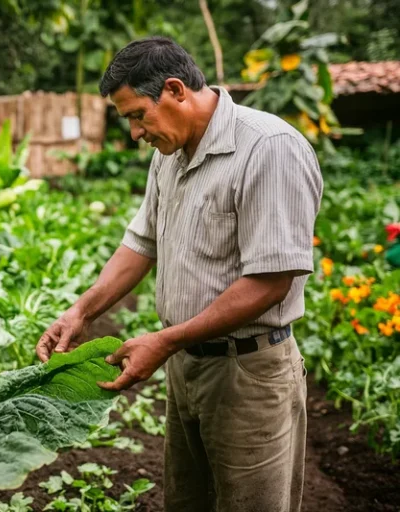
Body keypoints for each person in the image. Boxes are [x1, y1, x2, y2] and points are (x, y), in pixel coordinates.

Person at [36, 37, 323, 512]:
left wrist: (165, 340)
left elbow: (272, 282)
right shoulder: (170, 155)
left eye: (136, 116)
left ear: (175, 90)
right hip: (187, 368)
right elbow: (141, 243)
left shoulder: (270, 149)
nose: (134, 133)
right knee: (188, 500)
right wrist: (81, 311)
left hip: (246, 374)